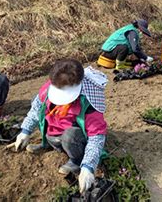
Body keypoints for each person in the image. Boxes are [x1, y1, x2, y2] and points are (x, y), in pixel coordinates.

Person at [14, 60, 108, 194]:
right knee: (46, 120)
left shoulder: (89, 102)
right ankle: (49, 144)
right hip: (54, 134)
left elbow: (96, 137)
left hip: (73, 138)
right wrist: (25, 131)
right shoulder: (49, 88)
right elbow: (36, 110)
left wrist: (88, 167)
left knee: (70, 135)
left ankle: (76, 160)